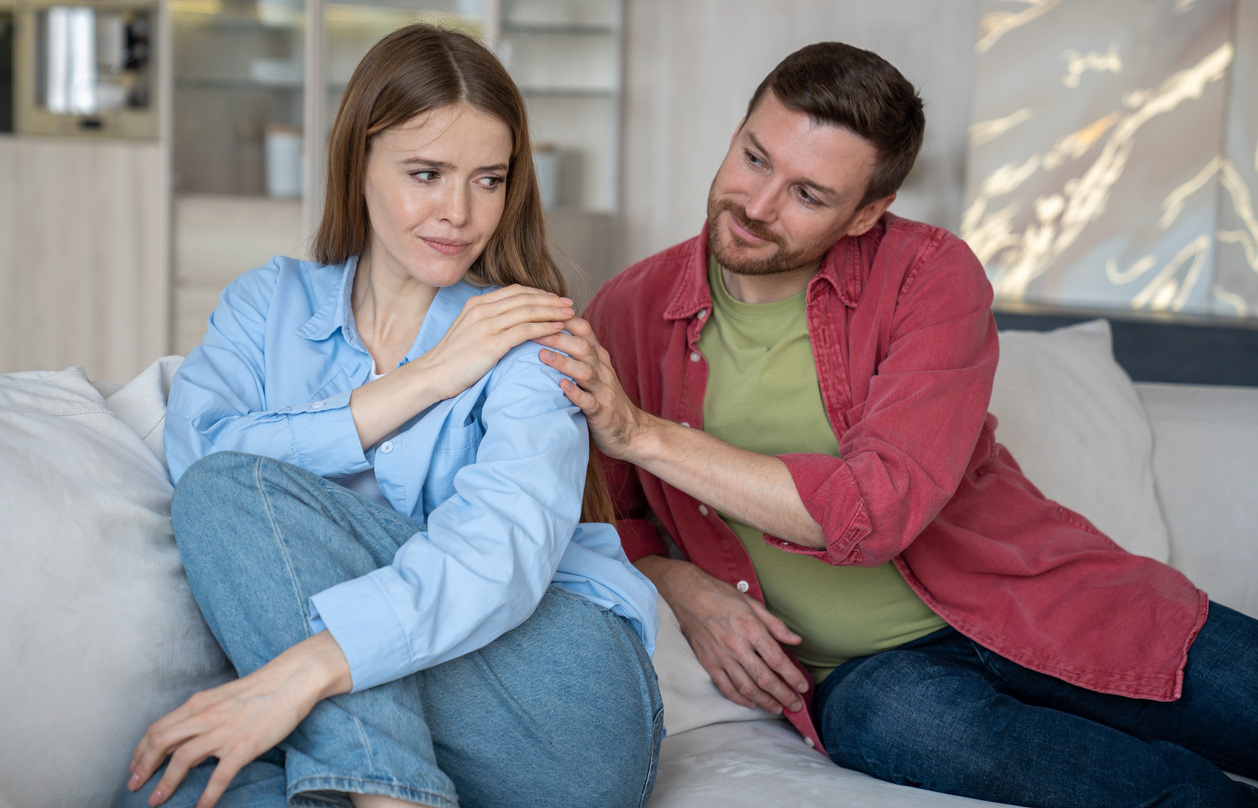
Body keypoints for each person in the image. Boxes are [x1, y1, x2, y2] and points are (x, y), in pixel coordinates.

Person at [536, 41, 1258, 807]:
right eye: (753, 157)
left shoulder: (930, 276)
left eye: (809, 195)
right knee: (899, 721)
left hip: (1037, 599)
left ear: (867, 213)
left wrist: (645, 433)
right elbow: (603, 516)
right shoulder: (629, 309)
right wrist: (682, 584)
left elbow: (873, 512)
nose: (756, 204)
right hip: (872, 681)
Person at [119, 23, 662, 808]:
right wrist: (428, 378)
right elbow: (196, 448)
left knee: (227, 490)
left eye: (487, 179)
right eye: (427, 172)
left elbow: (499, 553)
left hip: (557, 708)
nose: (459, 212)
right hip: (415, 719)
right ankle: (392, 788)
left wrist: (305, 668)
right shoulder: (266, 303)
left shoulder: (528, 336)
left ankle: (382, 787)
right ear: (359, 161)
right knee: (163, 792)